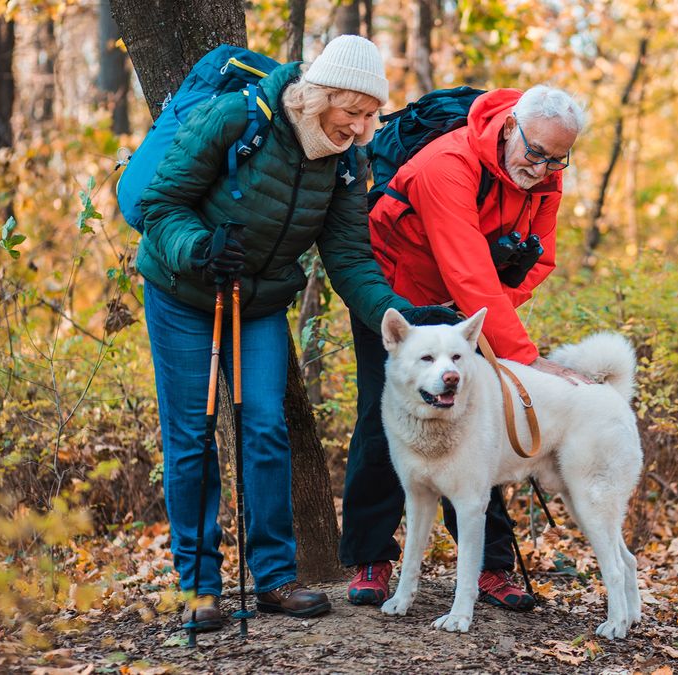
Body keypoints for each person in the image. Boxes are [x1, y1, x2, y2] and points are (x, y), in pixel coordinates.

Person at [137, 35, 420, 633]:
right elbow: (160, 205)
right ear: (322, 95)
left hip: (258, 301)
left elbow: (349, 259)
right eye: (354, 112)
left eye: (371, 115)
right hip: (184, 292)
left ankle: (274, 578)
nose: (364, 128)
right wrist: (198, 249)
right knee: (191, 435)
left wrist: (407, 322)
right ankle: (198, 588)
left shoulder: (347, 161)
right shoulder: (240, 118)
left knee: (266, 426)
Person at [340, 85, 589, 611]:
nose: (543, 168)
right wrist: (525, 356)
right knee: (382, 415)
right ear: (509, 128)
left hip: (463, 303)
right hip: (396, 292)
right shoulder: (447, 165)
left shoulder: (546, 176)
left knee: (473, 421)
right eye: (536, 152)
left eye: (557, 158)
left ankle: (489, 569)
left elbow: (540, 260)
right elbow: (468, 269)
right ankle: (371, 556)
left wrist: (481, 318)